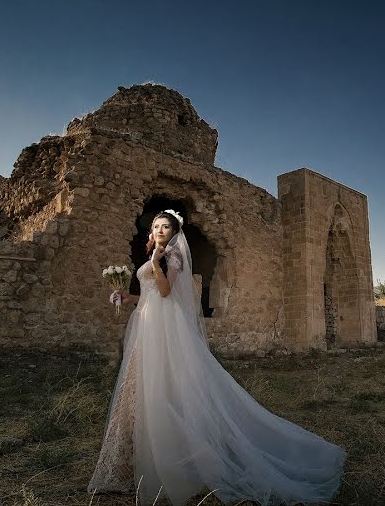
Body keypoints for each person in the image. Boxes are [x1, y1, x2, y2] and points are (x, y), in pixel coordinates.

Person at [87, 209, 346, 506]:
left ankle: (175, 459)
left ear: (174, 232)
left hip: (164, 327)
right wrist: (125, 296)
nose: (160, 230)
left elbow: (165, 291)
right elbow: (148, 296)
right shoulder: (156, 256)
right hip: (146, 323)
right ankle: (132, 460)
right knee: (138, 386)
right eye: (156, 226)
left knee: (166, 385)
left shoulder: (172, 257)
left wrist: (157, 261)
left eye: (166, 227)